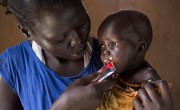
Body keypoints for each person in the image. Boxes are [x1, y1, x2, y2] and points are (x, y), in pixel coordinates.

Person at [0, 0, 173, 110]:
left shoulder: (118, 57)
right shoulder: (13, 66)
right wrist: (64, 107)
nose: (78, 41)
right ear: (27, 32)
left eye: (81, 23)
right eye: (61, 39)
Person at [96, 9, 173, 110]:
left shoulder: (149, 79)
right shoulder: (115, 69)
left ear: (139, 48)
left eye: (113, 44)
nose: (104, 52)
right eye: (102, 45)